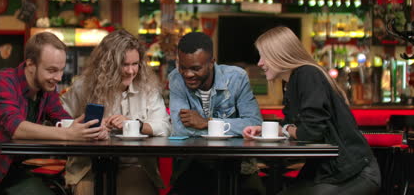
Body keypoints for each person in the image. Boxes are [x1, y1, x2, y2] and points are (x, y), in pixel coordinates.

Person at [0, 32, 108, 195]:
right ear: (30, 64)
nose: (58, 77)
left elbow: (63, 119)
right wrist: (68, 134)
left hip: (10, 174)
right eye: (52, 70)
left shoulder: (47, 90)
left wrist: (91, 129)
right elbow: (16, 128)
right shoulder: (4, 81)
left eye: (61, 70)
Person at [243, 26, 380, 195]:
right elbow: (292, 125)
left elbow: (310, 132)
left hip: (355, 174)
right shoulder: (293, 81)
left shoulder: (307, 74)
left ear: (281, 54)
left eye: (264, 56)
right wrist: (270, 130)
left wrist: (288, 130)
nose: (260, 63)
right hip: (330, 172)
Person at [61, 29, 171, 195]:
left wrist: (135, 125)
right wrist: (86, 128)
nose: (131, 71)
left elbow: (165, 127)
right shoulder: (83, 87)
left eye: (135, 64)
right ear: (107, 65)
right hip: (88, 167)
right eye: (124, 65)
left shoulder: (148, 88)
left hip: (135, 165)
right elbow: (58, 119)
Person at [168, 31, 264, 195]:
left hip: (237, 164)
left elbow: (255, 124)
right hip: (193, 164)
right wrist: (233, 128)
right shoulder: (176, 79)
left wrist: (208, 122)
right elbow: (179, 129)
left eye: (196, 68)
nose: (188, 74)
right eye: (183, 67)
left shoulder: (236, 78)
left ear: (212, 62)